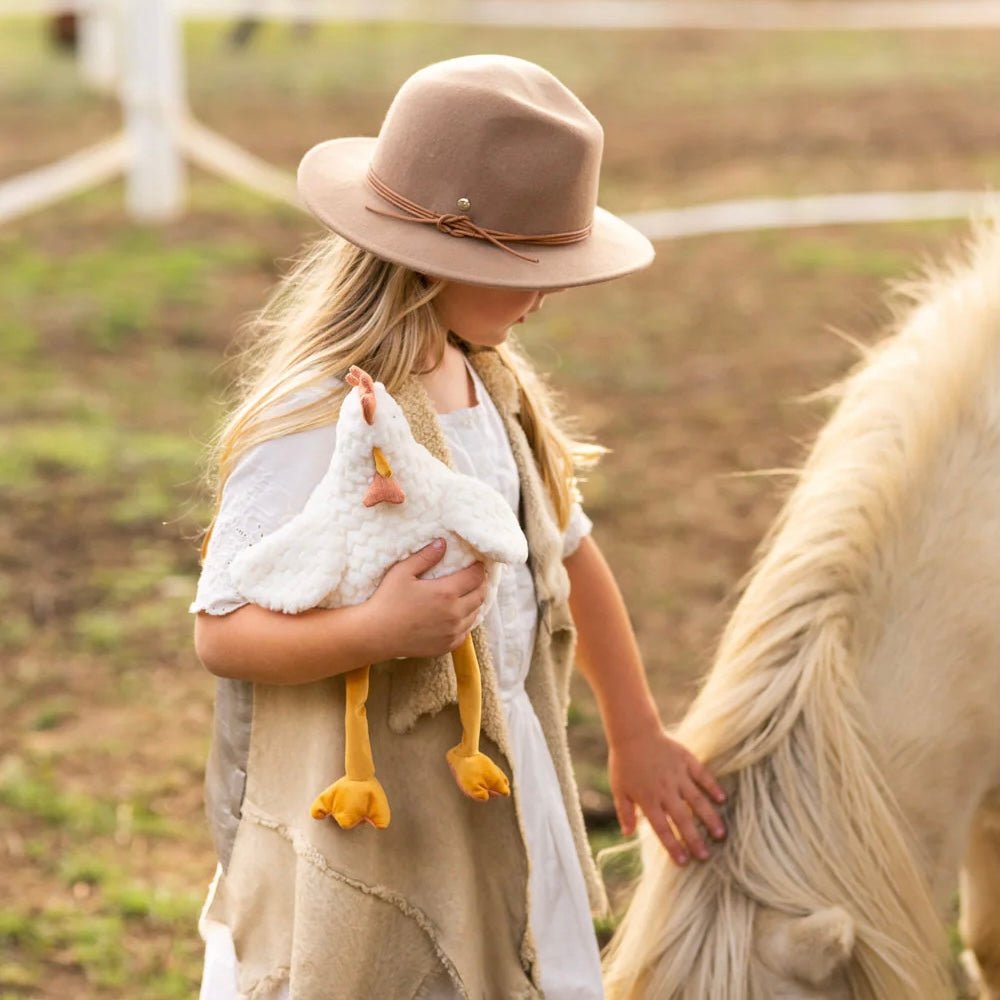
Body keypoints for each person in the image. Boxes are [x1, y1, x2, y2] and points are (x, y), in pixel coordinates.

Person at [190, 54, 726, 1000]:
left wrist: (635, 730)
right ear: (439, 260)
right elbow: (220, 631)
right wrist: (373, 633)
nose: (551, 294)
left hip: (499, 778)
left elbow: (569, 553)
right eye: (533, 266)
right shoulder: (324, 418)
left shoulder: (496, 389)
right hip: (379, 814)